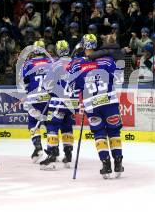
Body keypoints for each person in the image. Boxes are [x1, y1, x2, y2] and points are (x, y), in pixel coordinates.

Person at [68, 34, 124, 178]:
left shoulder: (77, 64)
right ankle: (118, 162)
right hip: (109, 101)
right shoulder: (107, 61)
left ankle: (105, 164)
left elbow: (72, 85)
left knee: (99, 133)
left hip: (91, 104)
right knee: (114, 132)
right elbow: (119, 79)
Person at [39, 40, 78, 170]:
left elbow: (47, 85)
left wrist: (51, 90)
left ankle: (51, 156)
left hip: (58, 102)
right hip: (73, 103)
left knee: (52, 126)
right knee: (67, 127)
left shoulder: (55, 65)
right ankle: (68, 155)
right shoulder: (76, 63)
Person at [21, 40, 53, 163]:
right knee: (50, 124)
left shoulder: (28, 63)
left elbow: (25, 82)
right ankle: (52, 150)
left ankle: (38, 147)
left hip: (34, 98)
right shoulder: (51, 62)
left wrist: (28, 91)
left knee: (33, 122)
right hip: (49, 98)